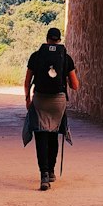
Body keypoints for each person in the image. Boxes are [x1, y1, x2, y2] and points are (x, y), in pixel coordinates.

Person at [25, 27, 79, 191]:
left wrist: (28, 99)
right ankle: (52, 171)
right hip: (58, 102)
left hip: (40, 99)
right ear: (59, 39)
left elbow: (27, 81)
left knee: (41, 135)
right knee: (54, 134)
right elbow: (75, 86)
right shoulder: (66, 58)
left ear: (47, 39)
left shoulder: (36, 56)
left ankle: (44, 176)